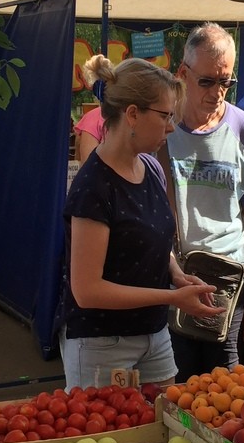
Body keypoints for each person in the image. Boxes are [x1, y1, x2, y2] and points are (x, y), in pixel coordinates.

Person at [61, 56, 220, 389]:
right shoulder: (93, 187)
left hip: (154, 334)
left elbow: (153, 240)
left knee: (164, 429)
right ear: (132, 114)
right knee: (109, 439)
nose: (171, 127)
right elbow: (87, 291)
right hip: (101, 343)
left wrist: (176, 275)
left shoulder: (151, 169)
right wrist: (171, 297)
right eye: (165, 116)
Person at [164, 23, 244, 380]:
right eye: (207, 81)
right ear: (183, 73)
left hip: (229, 282)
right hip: (170, 277)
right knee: (175, 389)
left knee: (224, 391)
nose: (218, 92)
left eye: (226, 82)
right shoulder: (160, 130)